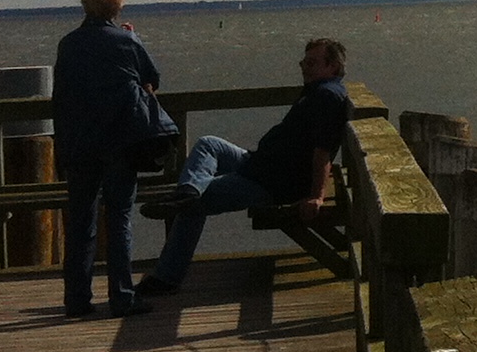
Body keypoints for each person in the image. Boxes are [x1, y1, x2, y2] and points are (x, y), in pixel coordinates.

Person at [139, 38, 351, 298]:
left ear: (332, 66)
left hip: (270, 183)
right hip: (258, 165)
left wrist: (317, 196)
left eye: (311, 63)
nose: (304, 68)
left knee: (193, 206)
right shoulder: (318, 90)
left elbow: (322, 152)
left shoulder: (327, 97)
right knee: (209, 144)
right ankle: (189, 190)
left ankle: (167, 277)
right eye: (303, 62)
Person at [51, 0, 176, 319]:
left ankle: (77, 299)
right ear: (117, 6)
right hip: (120, 143)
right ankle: (122, 296)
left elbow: (60, 96)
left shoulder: (68, 44)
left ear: (85, 5)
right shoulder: (126, 41)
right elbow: (152, 79)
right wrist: (132, 38)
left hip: (79, 143)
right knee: (119, 217)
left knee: (81, 222)